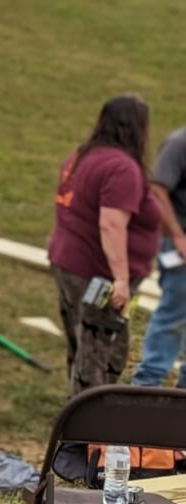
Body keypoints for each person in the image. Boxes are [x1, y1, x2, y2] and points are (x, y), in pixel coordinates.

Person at [47, 95, 161, 396]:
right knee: (104, 349)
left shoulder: (83, 156)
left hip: (69, 264)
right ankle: (92, 425)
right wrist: (121, 280)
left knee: (82, 343)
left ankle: (79, 411)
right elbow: (111, 224)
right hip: (98, 275)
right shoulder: (121, 167)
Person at [132, 125, 186, 388]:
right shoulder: (179, 143)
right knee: (173, 316)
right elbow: (157, 188)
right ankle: (147, 385)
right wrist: (178, 235)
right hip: (181, 248)